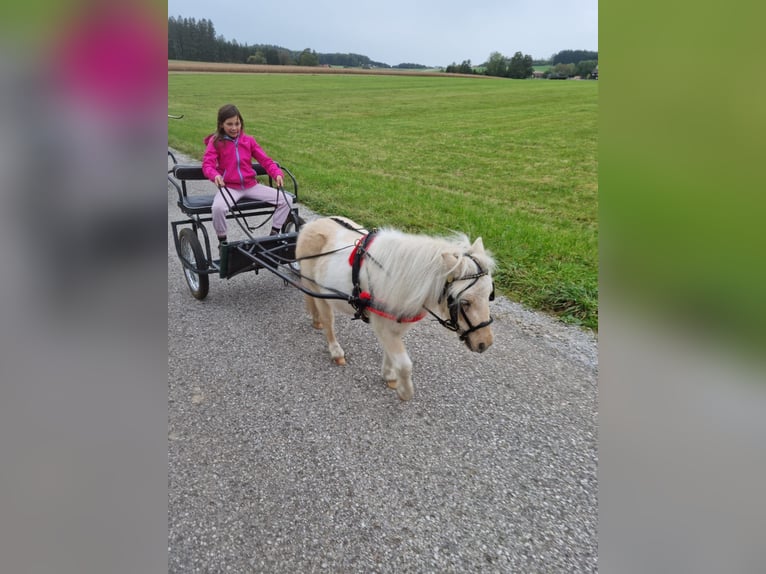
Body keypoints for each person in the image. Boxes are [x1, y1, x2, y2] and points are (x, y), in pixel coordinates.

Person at [202, 103, 292, 244]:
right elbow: (208, 164)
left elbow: (265, 160)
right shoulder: (216, 142)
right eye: (229, 124)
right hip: (230, 187)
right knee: (218, 208)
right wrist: (215, 175)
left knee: (286, 200)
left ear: (241, 123)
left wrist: (277, 174)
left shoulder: (248, 141)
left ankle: (273, 236)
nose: (234, 128)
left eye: (237, 123)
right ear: (221, 125)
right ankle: (223, 243)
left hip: (251, 186)